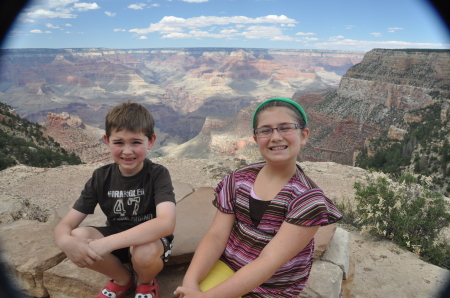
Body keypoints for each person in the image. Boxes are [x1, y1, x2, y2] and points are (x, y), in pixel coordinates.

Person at [174, 97, 343, 298]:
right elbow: (215, 236)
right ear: (256, 139)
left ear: (304, 135)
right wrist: (190, 282)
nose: (276, 136)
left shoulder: (308, 200)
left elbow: (268, 261)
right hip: (229, 266)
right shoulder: (237, 180)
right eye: (266, 130)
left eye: (285, 128)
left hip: (272, 286)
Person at [54, 101, 176, 298]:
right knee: (76, 236)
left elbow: (166, 223)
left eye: (136, 142)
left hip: (150, 241)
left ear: (151, 141)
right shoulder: (101, 177)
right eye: (119, 142)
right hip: (116, 238)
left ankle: (145, 282)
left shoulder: (158, 174)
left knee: (144, 252)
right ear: (107, 140)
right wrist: (64, 241)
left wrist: (107, 244)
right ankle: (123, 279)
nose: (127, 151)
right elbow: (66, 224)